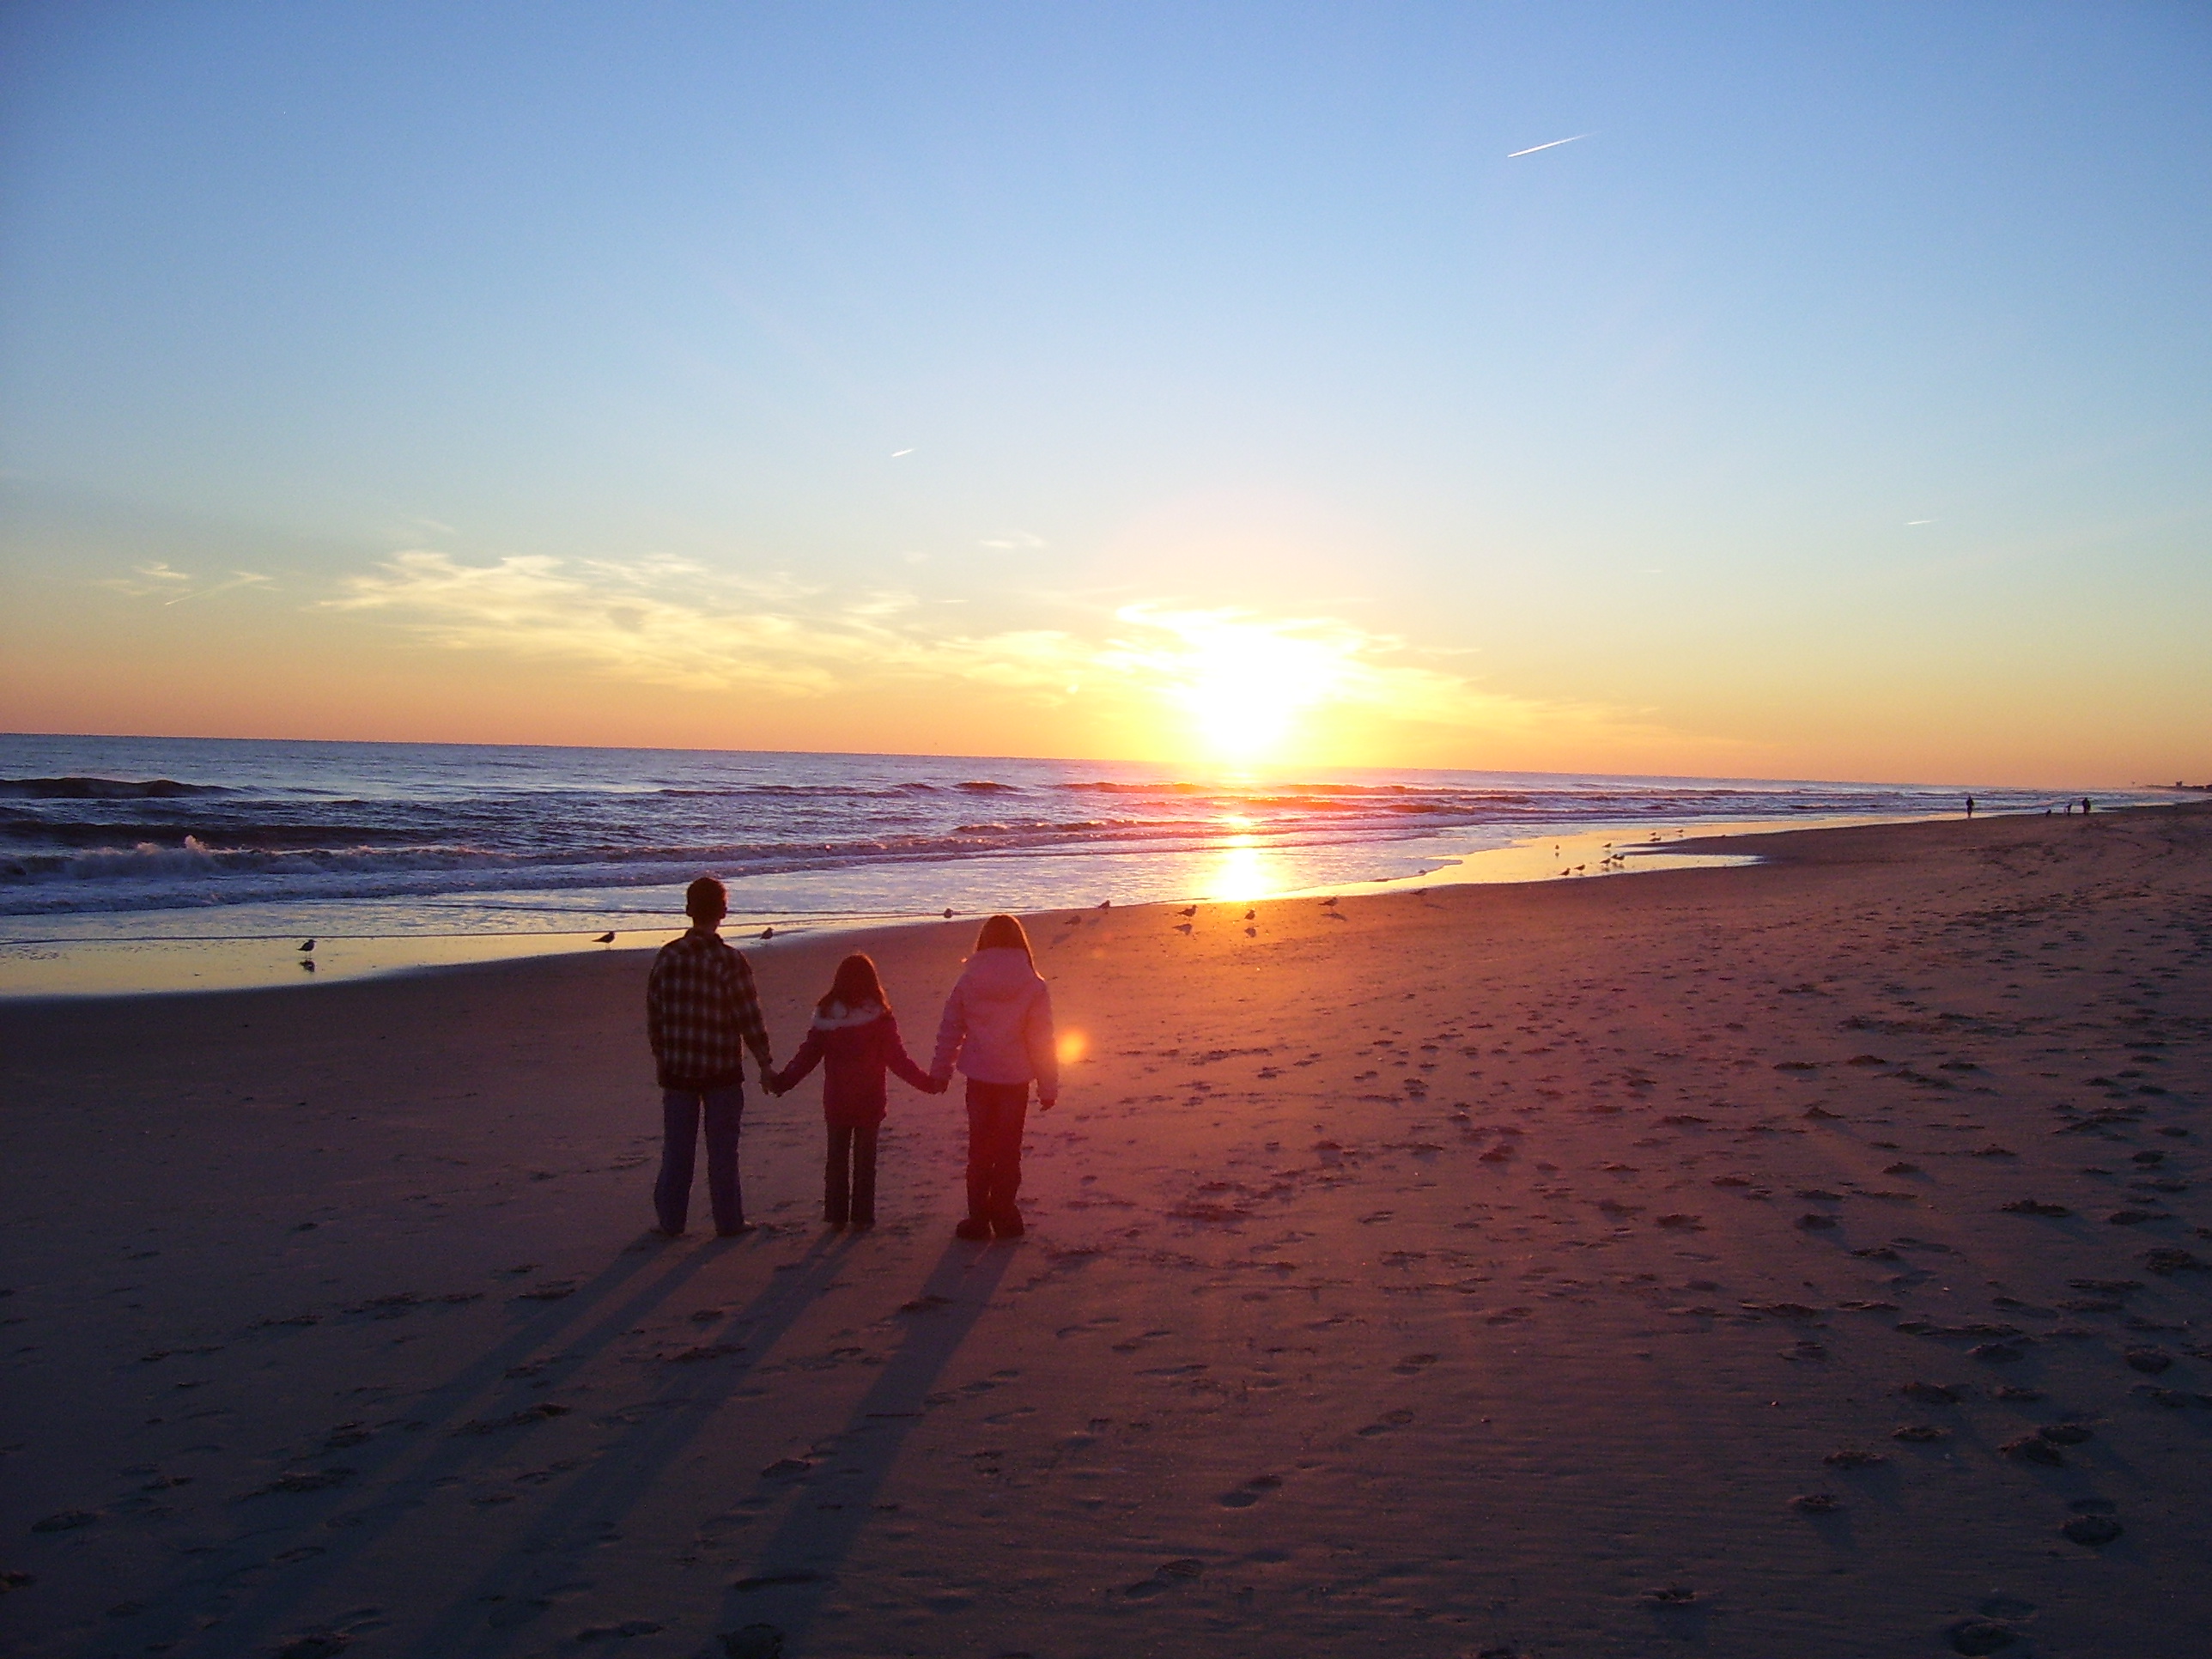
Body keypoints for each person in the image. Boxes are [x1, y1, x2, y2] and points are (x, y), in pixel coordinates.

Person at [767, 952, 940, 1230]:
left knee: (836, 1158)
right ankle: (862, 1216)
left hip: (837, 1100)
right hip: (870, 1100)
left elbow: (806, 1058)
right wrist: (927, 1083)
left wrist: (783, 1082)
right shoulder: (879, 1017)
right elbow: (898, 1060)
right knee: (865, 1159)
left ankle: (836, 1216)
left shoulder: (826, 1016)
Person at [644, 876, 774, 1237]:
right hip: (721, 1068)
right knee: (722, 1152)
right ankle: (728, 1221)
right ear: (723, 912)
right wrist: (765, 1062)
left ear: (688, 910)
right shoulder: (729, 960)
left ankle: (671, 1220)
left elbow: (655, 1013)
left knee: (677, 1150)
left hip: (678, 1067)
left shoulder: (668, 956)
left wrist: (660, 1056)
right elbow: (749, 1017)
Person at [931, 914, 1059, 1240]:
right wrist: (1048, 1084)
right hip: (1014, 1079)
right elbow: (1042, 1039)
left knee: (980, 1148)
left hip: (979, 1076)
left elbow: (950, 1029)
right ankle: (1004, 1213)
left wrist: (941, 1071)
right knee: (1008, 1148)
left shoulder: (968, 980)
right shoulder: (1033, 983)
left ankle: (977, 1218)